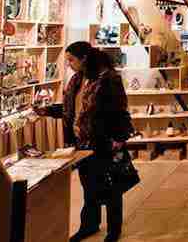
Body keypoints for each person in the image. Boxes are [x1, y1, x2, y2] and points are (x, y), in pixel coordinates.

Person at [36, 42, 133, 242]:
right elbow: (70, 110)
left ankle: (114, 230)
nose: (69, 64)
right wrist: (46, 111)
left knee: (111, 186)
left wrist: (119, 138)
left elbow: (120, 110)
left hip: (103, 141)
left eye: (71, 59)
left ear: (84, 58)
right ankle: (89, 224)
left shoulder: (108, 80)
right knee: (89, 186)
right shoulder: (77, 80)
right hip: (81, 142)